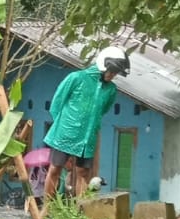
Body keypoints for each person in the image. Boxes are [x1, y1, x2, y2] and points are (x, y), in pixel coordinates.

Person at [43, 45, 130, 199]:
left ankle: (79, 212)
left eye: (115, 73)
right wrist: (63, 127)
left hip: (87, 138)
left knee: (83, 173)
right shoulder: (76, 78)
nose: (112, 75)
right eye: (111, 71)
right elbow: (56, 104)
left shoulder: (110, 90)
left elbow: (102, 110)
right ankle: (47, 209)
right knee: (55, 169)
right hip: (65, 135)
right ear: (103, 65)